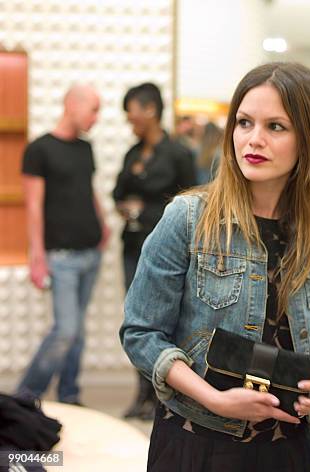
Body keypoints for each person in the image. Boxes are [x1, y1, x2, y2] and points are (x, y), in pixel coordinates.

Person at [120, 62, 310, 471]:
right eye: (244, 122)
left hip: (288, 445)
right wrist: (214, 398)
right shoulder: (188, 218)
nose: (253, 140)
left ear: (307, 139)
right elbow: (141, 332)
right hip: (198, 440)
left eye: (276, 126)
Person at [17, 84, 109, 405]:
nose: (97, 118)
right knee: (66, 330)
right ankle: (24, 398)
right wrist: (37, 256)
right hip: (62, 257)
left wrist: (103, 224)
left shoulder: (86, 148)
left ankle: (69, 394)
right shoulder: (39, 150)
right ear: (73, 105)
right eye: (94, 109)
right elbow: (33, 207)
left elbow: (88, 189)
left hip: (90, 253)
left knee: (78, 332)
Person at [113, 82, 196, 420]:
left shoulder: (177, 153)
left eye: (131, 109)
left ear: (150, 110)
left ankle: (160, 392)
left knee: (166, 324)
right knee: (138, 323)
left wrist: (143, 209)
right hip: (132, 247)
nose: (128, 117)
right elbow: (117, 192)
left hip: (167, 253)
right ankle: (141, 394)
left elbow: (191, 200)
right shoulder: (133, 152)